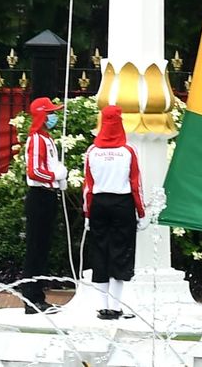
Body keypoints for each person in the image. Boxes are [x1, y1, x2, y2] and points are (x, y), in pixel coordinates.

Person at [82, 105, 149, 320]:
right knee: (122, 252)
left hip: (99, 204)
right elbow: (135, 183)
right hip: (122, 203)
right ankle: (118, 305)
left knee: (100, 251)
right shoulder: (128, 151)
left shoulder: (92, 151)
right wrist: (141, 212)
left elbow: (88, 186)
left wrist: (87, 214)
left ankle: (102, 307)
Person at [23, 96, 68, 314]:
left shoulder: (46, 138)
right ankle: (32, 299)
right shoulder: (36, 139)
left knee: (43, 249)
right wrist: (54, 175)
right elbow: (34, 171)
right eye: (50, 113)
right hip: (39, 195)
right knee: (35, 249)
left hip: (48, 195)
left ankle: (38, 296)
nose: (53, 116)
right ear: (42, 115)